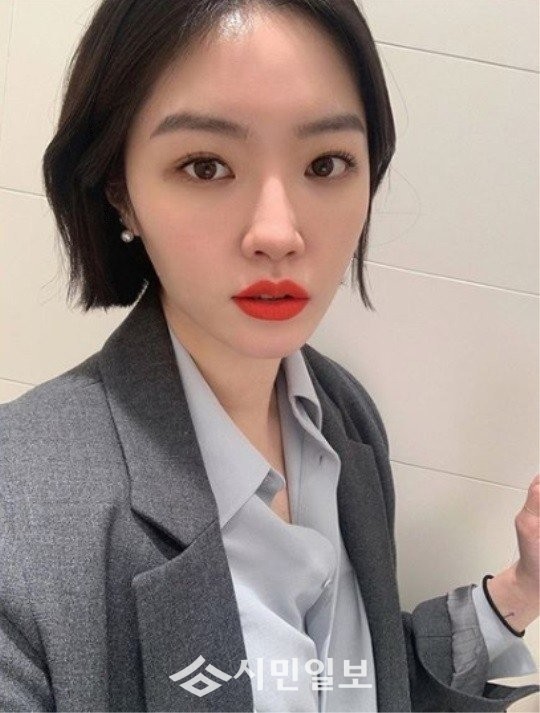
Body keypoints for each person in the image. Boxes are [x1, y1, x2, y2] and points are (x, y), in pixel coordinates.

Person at [0, 1, 538, 711]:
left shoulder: (343, 416)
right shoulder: (19, 514)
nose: (278, 232)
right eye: (205, 165)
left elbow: (345, 678)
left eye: (326, 163)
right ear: (120, 193)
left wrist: (521, 589)